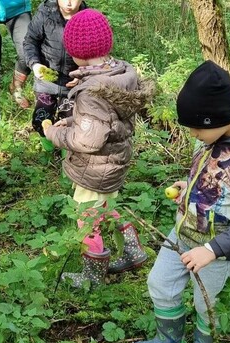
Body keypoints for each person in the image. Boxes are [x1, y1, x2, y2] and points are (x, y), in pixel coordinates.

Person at [130, 60, 230, 343]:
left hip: (218, 251)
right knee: (160, 283)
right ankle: (169, 339)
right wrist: (188, 188)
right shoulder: (214, 137)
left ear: (216, 119)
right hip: (183, 234)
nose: (194, 134)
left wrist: (212, 250)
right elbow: (211, 177)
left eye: (198, 128)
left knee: (205, 303)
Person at [43, 9, 154, 287]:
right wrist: (72, 118)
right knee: (106, 206)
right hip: (115, 161)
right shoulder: (120, 72)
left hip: (96, 167)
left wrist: (56, 134)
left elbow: (88, 140)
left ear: (76, 52)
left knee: (87, 217)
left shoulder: (92, 91)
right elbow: (105, 119)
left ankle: (92, 276)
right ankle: (132, 249)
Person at [23, 0, 88, 151]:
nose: (70, 2)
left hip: (72, 82)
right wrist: (35, 64)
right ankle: (48, 150)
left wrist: (83, 73)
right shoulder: (45, 14)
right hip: (46, 79)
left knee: (70, 120)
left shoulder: (87, 19)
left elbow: (95, 53)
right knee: (41, 117)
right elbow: (30, 41)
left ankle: (68, 155)